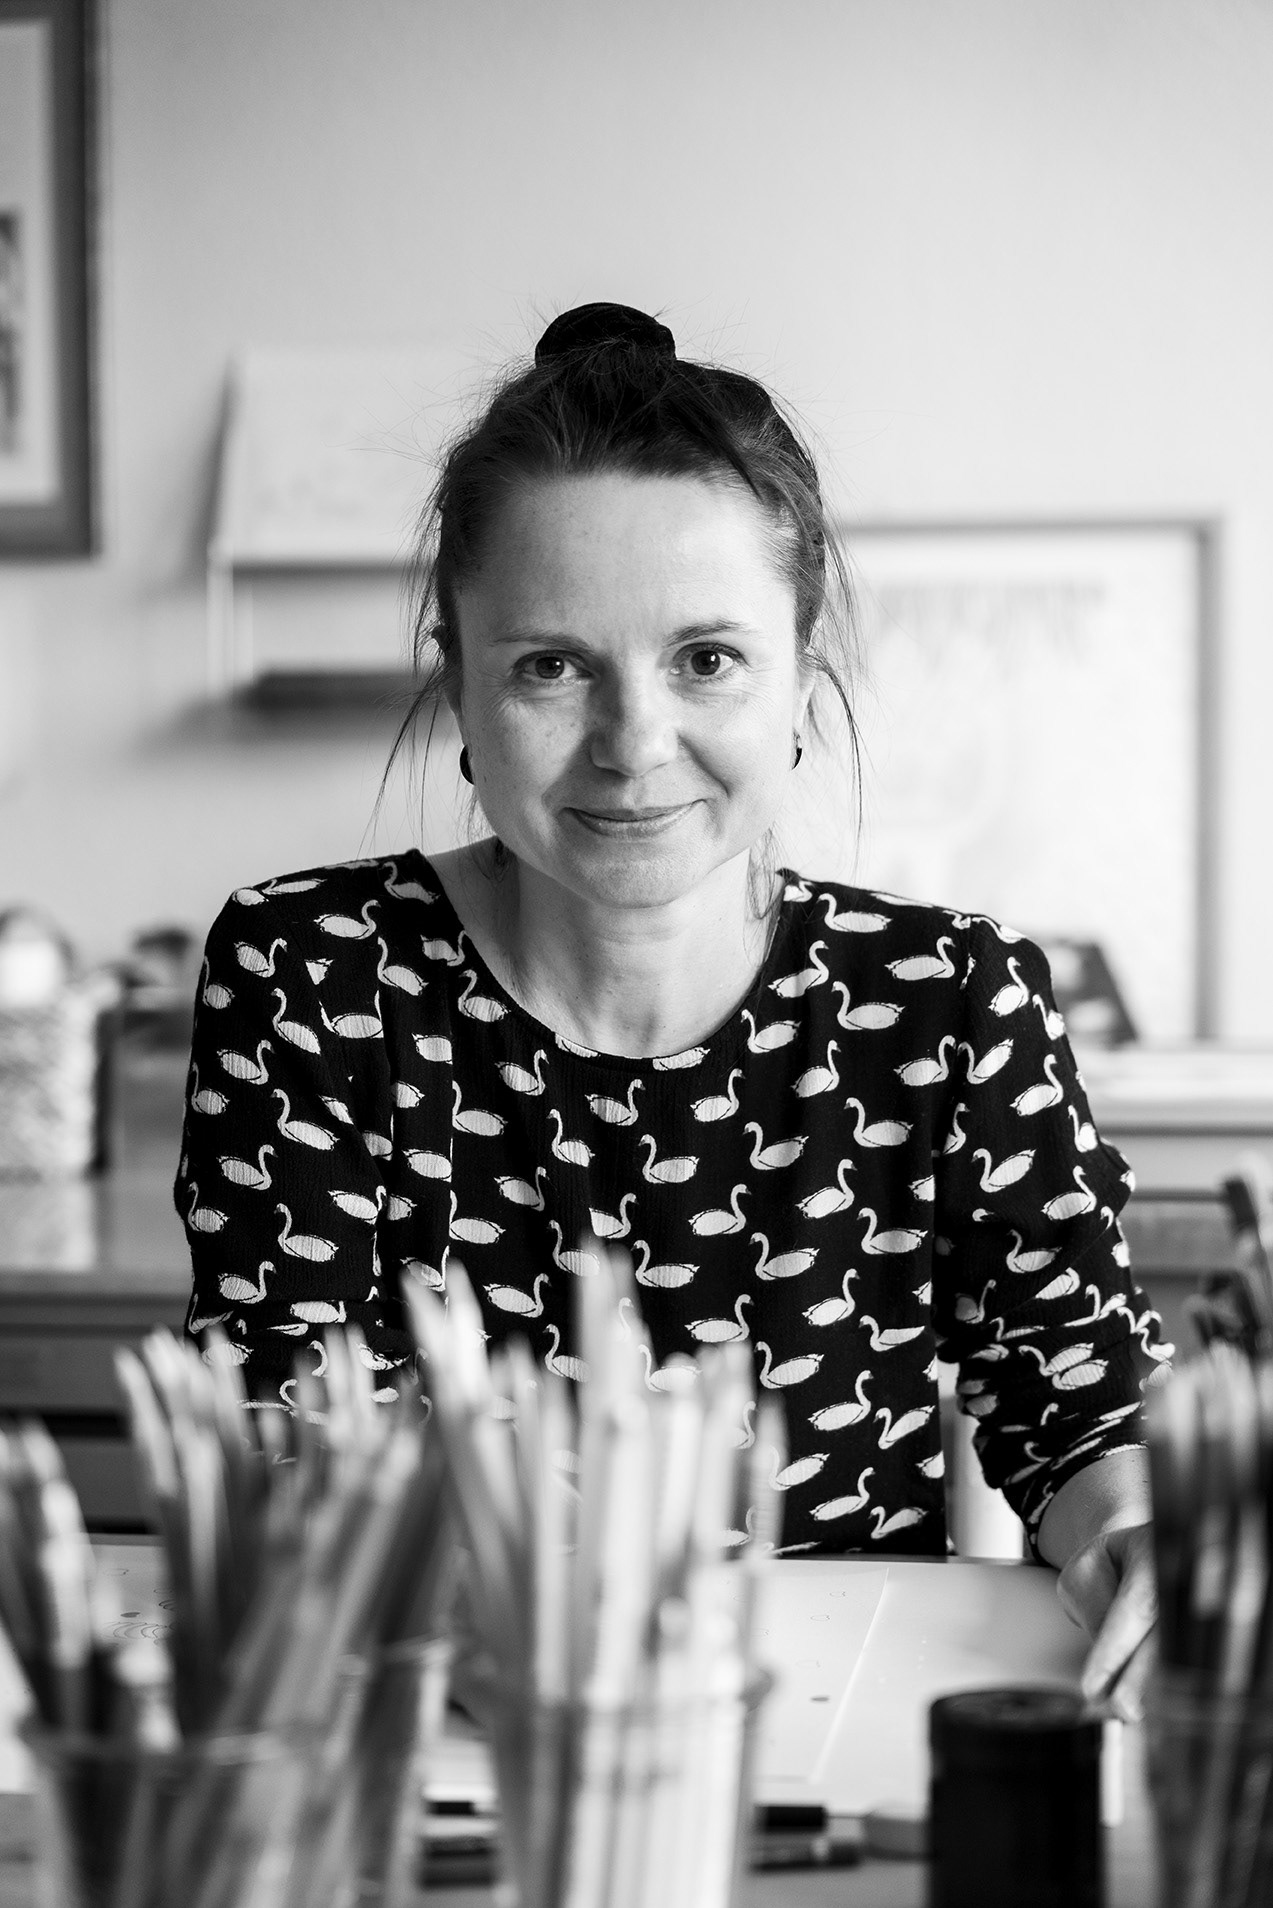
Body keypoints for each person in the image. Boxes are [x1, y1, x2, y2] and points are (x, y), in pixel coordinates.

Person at [177, 301, 1167, 1716]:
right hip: (448, 1728)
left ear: (798, 681)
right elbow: (278, 1413)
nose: (633, 746)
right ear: (457, 680)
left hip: (828, 1727)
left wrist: (1142, 1531)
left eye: (706, 659)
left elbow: (1082, 1400)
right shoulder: (311, 975)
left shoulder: (946, 999)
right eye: (549, 664)